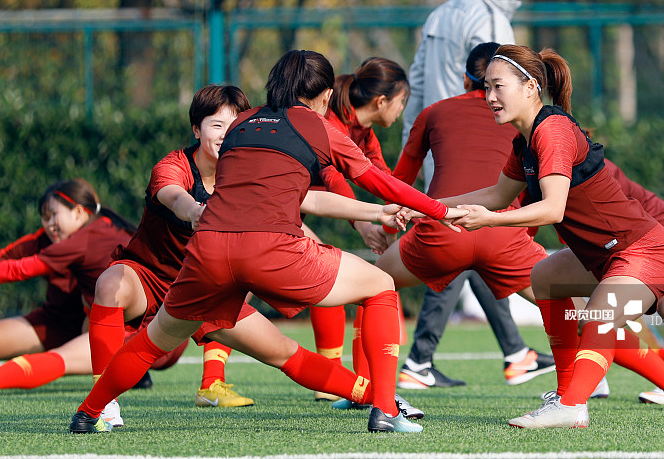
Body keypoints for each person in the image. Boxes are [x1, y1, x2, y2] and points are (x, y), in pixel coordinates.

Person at [69, 50, 465, 435]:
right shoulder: (317, 125)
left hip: (208, 253)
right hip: (271, 251)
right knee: (380, 286)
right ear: (326, 96)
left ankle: (88, 413)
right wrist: (440, 211)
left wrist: (373, 213)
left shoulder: (243, 124)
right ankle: (384, 408)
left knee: (150, 343)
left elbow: (301, 196)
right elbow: (379, 181)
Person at [438, 44, 664, 428]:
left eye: (498, 86)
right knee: (546, 276)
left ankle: (574, 404)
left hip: (647, 250)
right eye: (486, 87)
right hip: (608, 255)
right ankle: (568, 397)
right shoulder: (524, 139)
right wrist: (429, 206)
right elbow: (497, 195)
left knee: (599, 316)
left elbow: (552, 209)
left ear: (530, 87)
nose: (490, 97)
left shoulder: (553, 130)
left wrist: (488, 221)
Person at [400, 0, 535, 388]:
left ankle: (512, 351)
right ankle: (421, 360)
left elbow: (418, 86)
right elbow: (504, 95)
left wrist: (415, 151)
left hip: (441, 146)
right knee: (476, 244)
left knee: (464, 249)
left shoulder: (440, 14)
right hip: (482, 153)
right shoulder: (490, 23)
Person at [386, 42, 555, 389]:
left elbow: (397, 184)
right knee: (581, 310)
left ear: (465, 81)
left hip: (442, 231)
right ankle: (659, 380)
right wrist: (523, 238)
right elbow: (536, 196)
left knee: (370, 286)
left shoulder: (434, 112)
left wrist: (387, 226)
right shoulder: (532, 123)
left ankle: (371, 387)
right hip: (503, 236)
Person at [87, 85, 254, 427]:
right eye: (216, 125)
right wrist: (195, 211)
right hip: (147, 277)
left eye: (234, 125)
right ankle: (103, 403)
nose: (226, 134)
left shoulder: (248, 175)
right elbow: (175, 196)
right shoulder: (173, 165)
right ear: (197, 129)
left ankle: (375, 397)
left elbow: (297, 207)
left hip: (200, 290)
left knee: (282, 351)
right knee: (109, 285)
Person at [305, 57, 410, 401]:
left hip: (289, 207)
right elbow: (333, 179)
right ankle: (339, 381)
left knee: (328, 276)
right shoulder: (330, 125)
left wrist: (411, 208)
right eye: (402, 102)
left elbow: (383, 178)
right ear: (381, 101)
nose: (401, 111)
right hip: (271, 207)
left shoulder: (363, 131)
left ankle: (335, 380)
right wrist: (366, 225)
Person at [0, 179, 136, 392]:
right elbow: (1, 262)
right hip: (65, 323)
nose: (49, 225)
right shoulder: (54, 237)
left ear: (78, 212)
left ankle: (131, 372)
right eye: (44, 217)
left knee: (62, 357)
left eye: (54, 215)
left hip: (130, 330)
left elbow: (18, 270)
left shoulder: (88, 237)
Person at [600, 159, 664, 405]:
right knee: (591, 315)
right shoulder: (534, 163)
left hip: (662, 230)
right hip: (623, 241)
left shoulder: (589, 165)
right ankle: (590, 380)